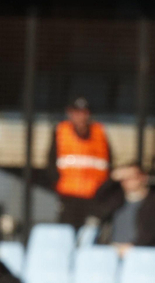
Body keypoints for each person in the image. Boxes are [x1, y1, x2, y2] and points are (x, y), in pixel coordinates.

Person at [47, 97, 112, 227]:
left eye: (84, 113)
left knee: (91, 231)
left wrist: (104, 189)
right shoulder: (61, 131)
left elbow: (108, 163)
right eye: (76, 113)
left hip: (94, 196)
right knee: (67, 229)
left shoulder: (99, 132)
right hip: (68, 195)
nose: (81, 117)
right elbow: (51, 162)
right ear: (69, 113)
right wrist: (56, 184)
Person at [92, 164, 155, 249]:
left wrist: (133, 246)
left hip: (143, 250)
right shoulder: (117, 199)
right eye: (123, 178)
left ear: (143, 177)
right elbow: (98, 198)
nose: (127, 181)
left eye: (131, 177)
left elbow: (154, 228)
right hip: (113, 249)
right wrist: (112, 179)